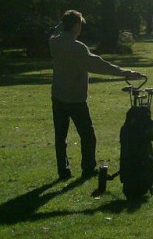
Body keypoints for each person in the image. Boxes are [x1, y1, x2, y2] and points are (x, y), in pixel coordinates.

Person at [49, 10, 145, 180]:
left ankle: (63, 170)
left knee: (60, 136)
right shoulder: (78, 48)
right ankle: (87, 168)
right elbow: (99, 65)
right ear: (76, 26)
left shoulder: (54, 42)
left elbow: (55, 32)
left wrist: (61, 24)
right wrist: (125, 73)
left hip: (58, 96)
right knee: (87, 135)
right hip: (75, 98)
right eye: (80, 24)